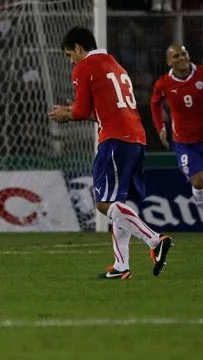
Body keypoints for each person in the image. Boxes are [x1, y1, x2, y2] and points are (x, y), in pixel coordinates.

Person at [49, 27, 173, 280]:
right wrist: (75, 111)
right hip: (135, 137)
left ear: (79, 48)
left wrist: (67, 114)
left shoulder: (84, 67)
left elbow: (81, 112)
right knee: (117, 202)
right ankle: (121, 265)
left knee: (103, 203)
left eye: (69, 54)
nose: (71, 61)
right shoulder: (115, 65)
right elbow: (105, 110)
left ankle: (154, 240)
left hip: (115, 139)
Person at [150, 44, 203, 240]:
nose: (181, 58)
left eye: (184, 54)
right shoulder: (164, 83)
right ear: (169, 62)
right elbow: (155, 104)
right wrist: (160, 127)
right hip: (184, 143)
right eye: (176, 56)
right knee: (198, 181)